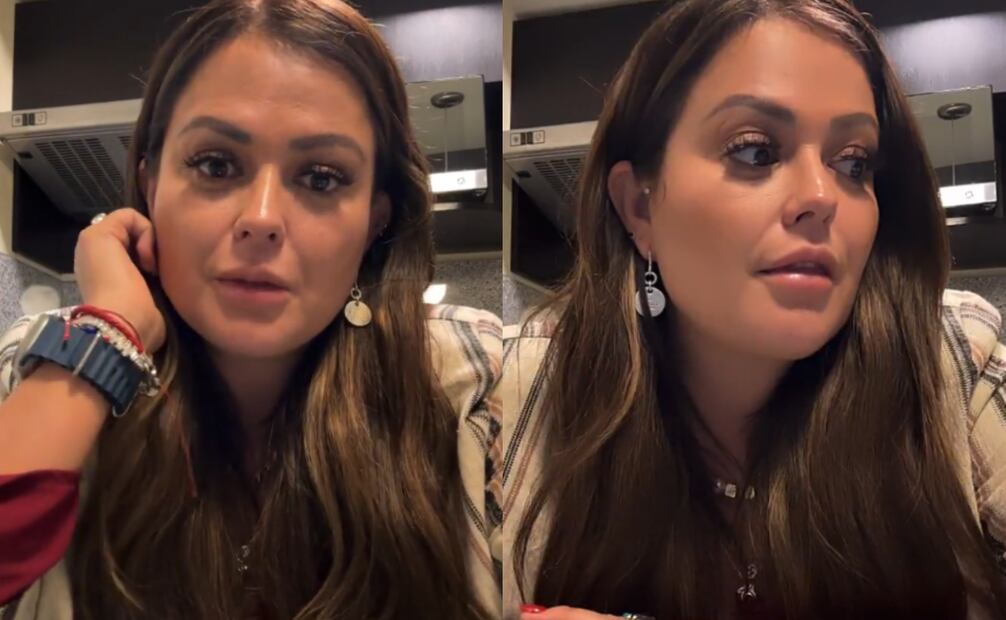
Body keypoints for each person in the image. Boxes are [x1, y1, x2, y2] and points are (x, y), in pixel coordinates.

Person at [502, 0, 1006, 618]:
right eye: (755, 151)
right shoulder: (520, 390)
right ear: (639, 207)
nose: (822, 196)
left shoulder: (957, 364)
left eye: (854, 164)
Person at [0, 1, 502, 618]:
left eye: (321, 178)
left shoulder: (470, 384)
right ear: (151, 186)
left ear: (375, 219)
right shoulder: (38, 372)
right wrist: (107, 337)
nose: (261, 219)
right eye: (215, 165)